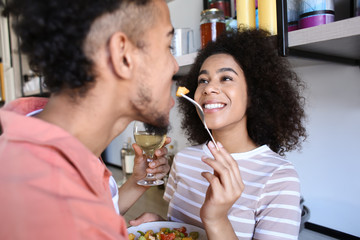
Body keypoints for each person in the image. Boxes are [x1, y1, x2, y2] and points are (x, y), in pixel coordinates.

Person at [0, 0, 178, 239]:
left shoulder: (56, 144)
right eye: (168, 46)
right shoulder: (52, 203)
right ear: (123, 55)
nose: (175, 66)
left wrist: (137, 182)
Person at [131, 29, 307, 240]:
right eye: (203, 80)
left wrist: (216, 219)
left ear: (254, 94)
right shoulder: (184, 160)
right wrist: (159, 225)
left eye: (226, 78)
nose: (209, 88)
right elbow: (183, 229)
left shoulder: (279, 177)